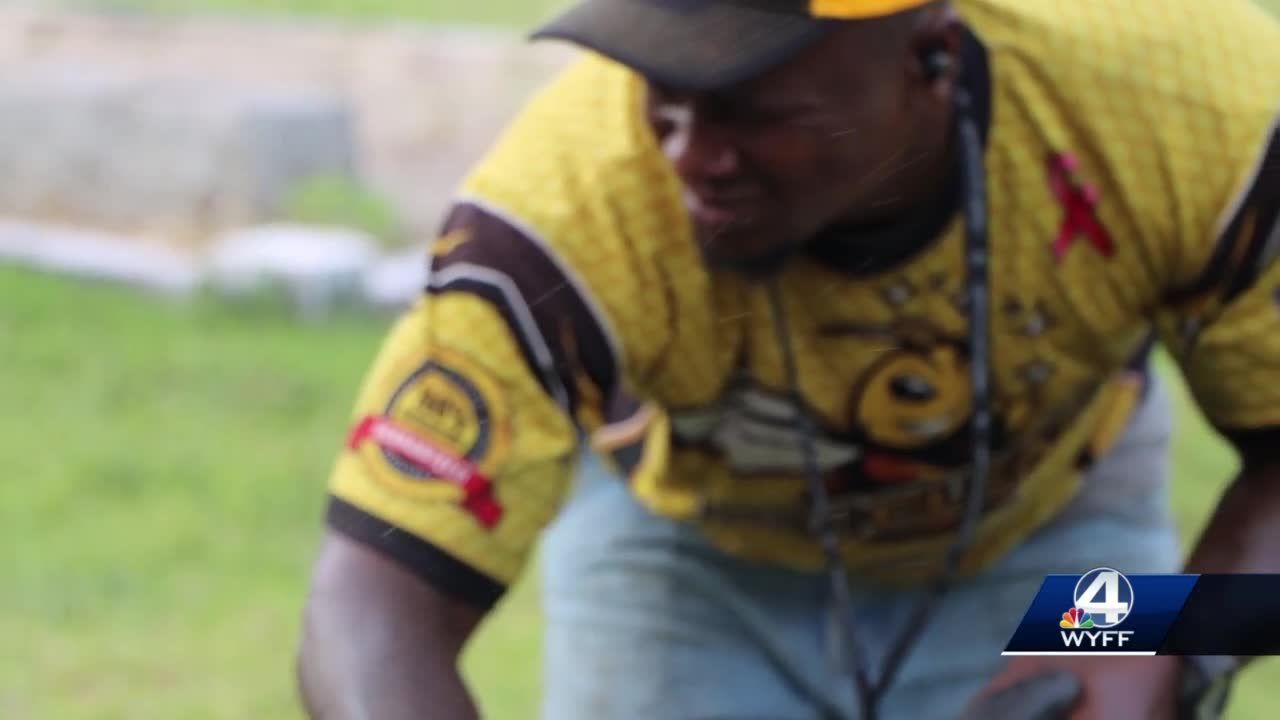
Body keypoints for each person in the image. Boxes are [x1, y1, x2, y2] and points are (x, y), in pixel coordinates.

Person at [295, 0, 1280, 718]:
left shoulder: (1187, 109)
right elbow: (368, 602)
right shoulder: (566, 207)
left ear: (929, 55)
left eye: (749, 107)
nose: (688, 157)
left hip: (1046, 530)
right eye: (663, 95)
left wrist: (1169, 643)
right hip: (687, 549)